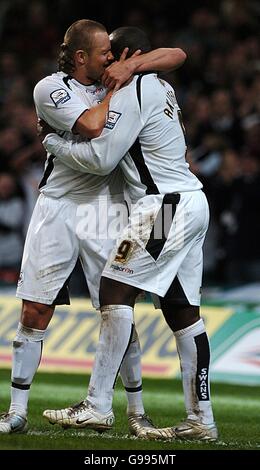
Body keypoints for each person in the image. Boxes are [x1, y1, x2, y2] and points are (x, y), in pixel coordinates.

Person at [0, 19, 186, 436]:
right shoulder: (51, 88)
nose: (110, 57)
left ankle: (137, 412)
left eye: (113, 53)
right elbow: (92, 126)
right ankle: (15, 411)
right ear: (81, 56)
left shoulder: (123, 79)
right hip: (59, 206)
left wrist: (129, 68)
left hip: (107, 208)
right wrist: (119, 85)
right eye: (104, 52)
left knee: (117, 308)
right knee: (36, 308)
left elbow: (176, 55)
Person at [41, 26, 218, 442]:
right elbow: (175, 52)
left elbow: (102, 158)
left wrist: (54, 144)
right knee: (182, 311)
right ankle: (201, 419)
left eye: (107, 54)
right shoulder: (160, 86)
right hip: (189, 201)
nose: (103, 62)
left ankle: (97, 405)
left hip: (165, 206)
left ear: (124, 54)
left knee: (113, 290)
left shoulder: (132, 88)